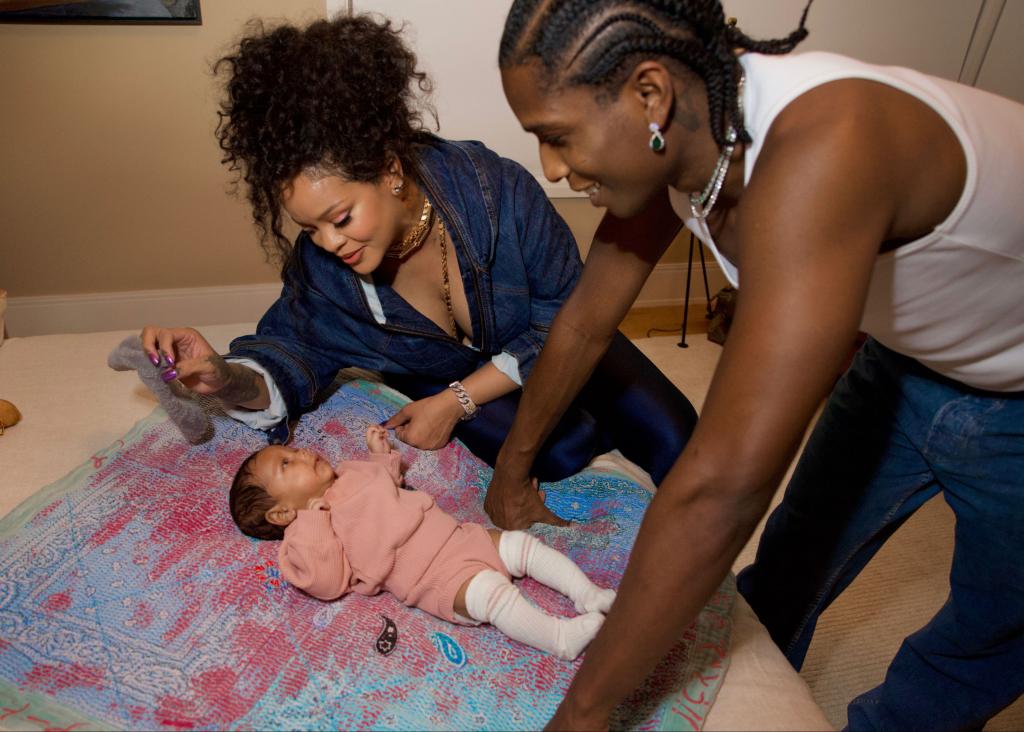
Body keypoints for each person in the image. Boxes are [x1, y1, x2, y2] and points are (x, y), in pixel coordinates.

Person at [491, 0, 1024, 729]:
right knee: (794, 555)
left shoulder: (827, 144)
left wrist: (581, 715)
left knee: (991, 627)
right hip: (907, 356)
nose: (551, 167)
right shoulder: (690, 139)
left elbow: (723, 488)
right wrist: (510, 472)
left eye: (555, 137)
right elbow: (584, 325)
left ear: (650, 94)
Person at [141, 13, 697, 491]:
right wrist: (225, 377)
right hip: (455, 370)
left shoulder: (497, 191)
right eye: (309, 228)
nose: (329, 243)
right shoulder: (325, 273)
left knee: (677, 434)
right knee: (559, 451)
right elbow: (288, 352)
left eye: (340, 218)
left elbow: (566, 316)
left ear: (389, 170)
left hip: (548, 333)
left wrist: (457, 401)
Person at [229, 424, 616, 660]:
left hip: (458, 536)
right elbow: (325, 581)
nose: (301, 453)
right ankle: (559, 639)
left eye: (292, 450)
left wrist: (381, 458)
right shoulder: (305, 533)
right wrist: (311, 518)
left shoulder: (348, 473)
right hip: (435, 577)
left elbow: (384, 490)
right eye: (287, 464)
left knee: (522, 546)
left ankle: (587, 593)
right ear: (280, 513)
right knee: (495, 593)